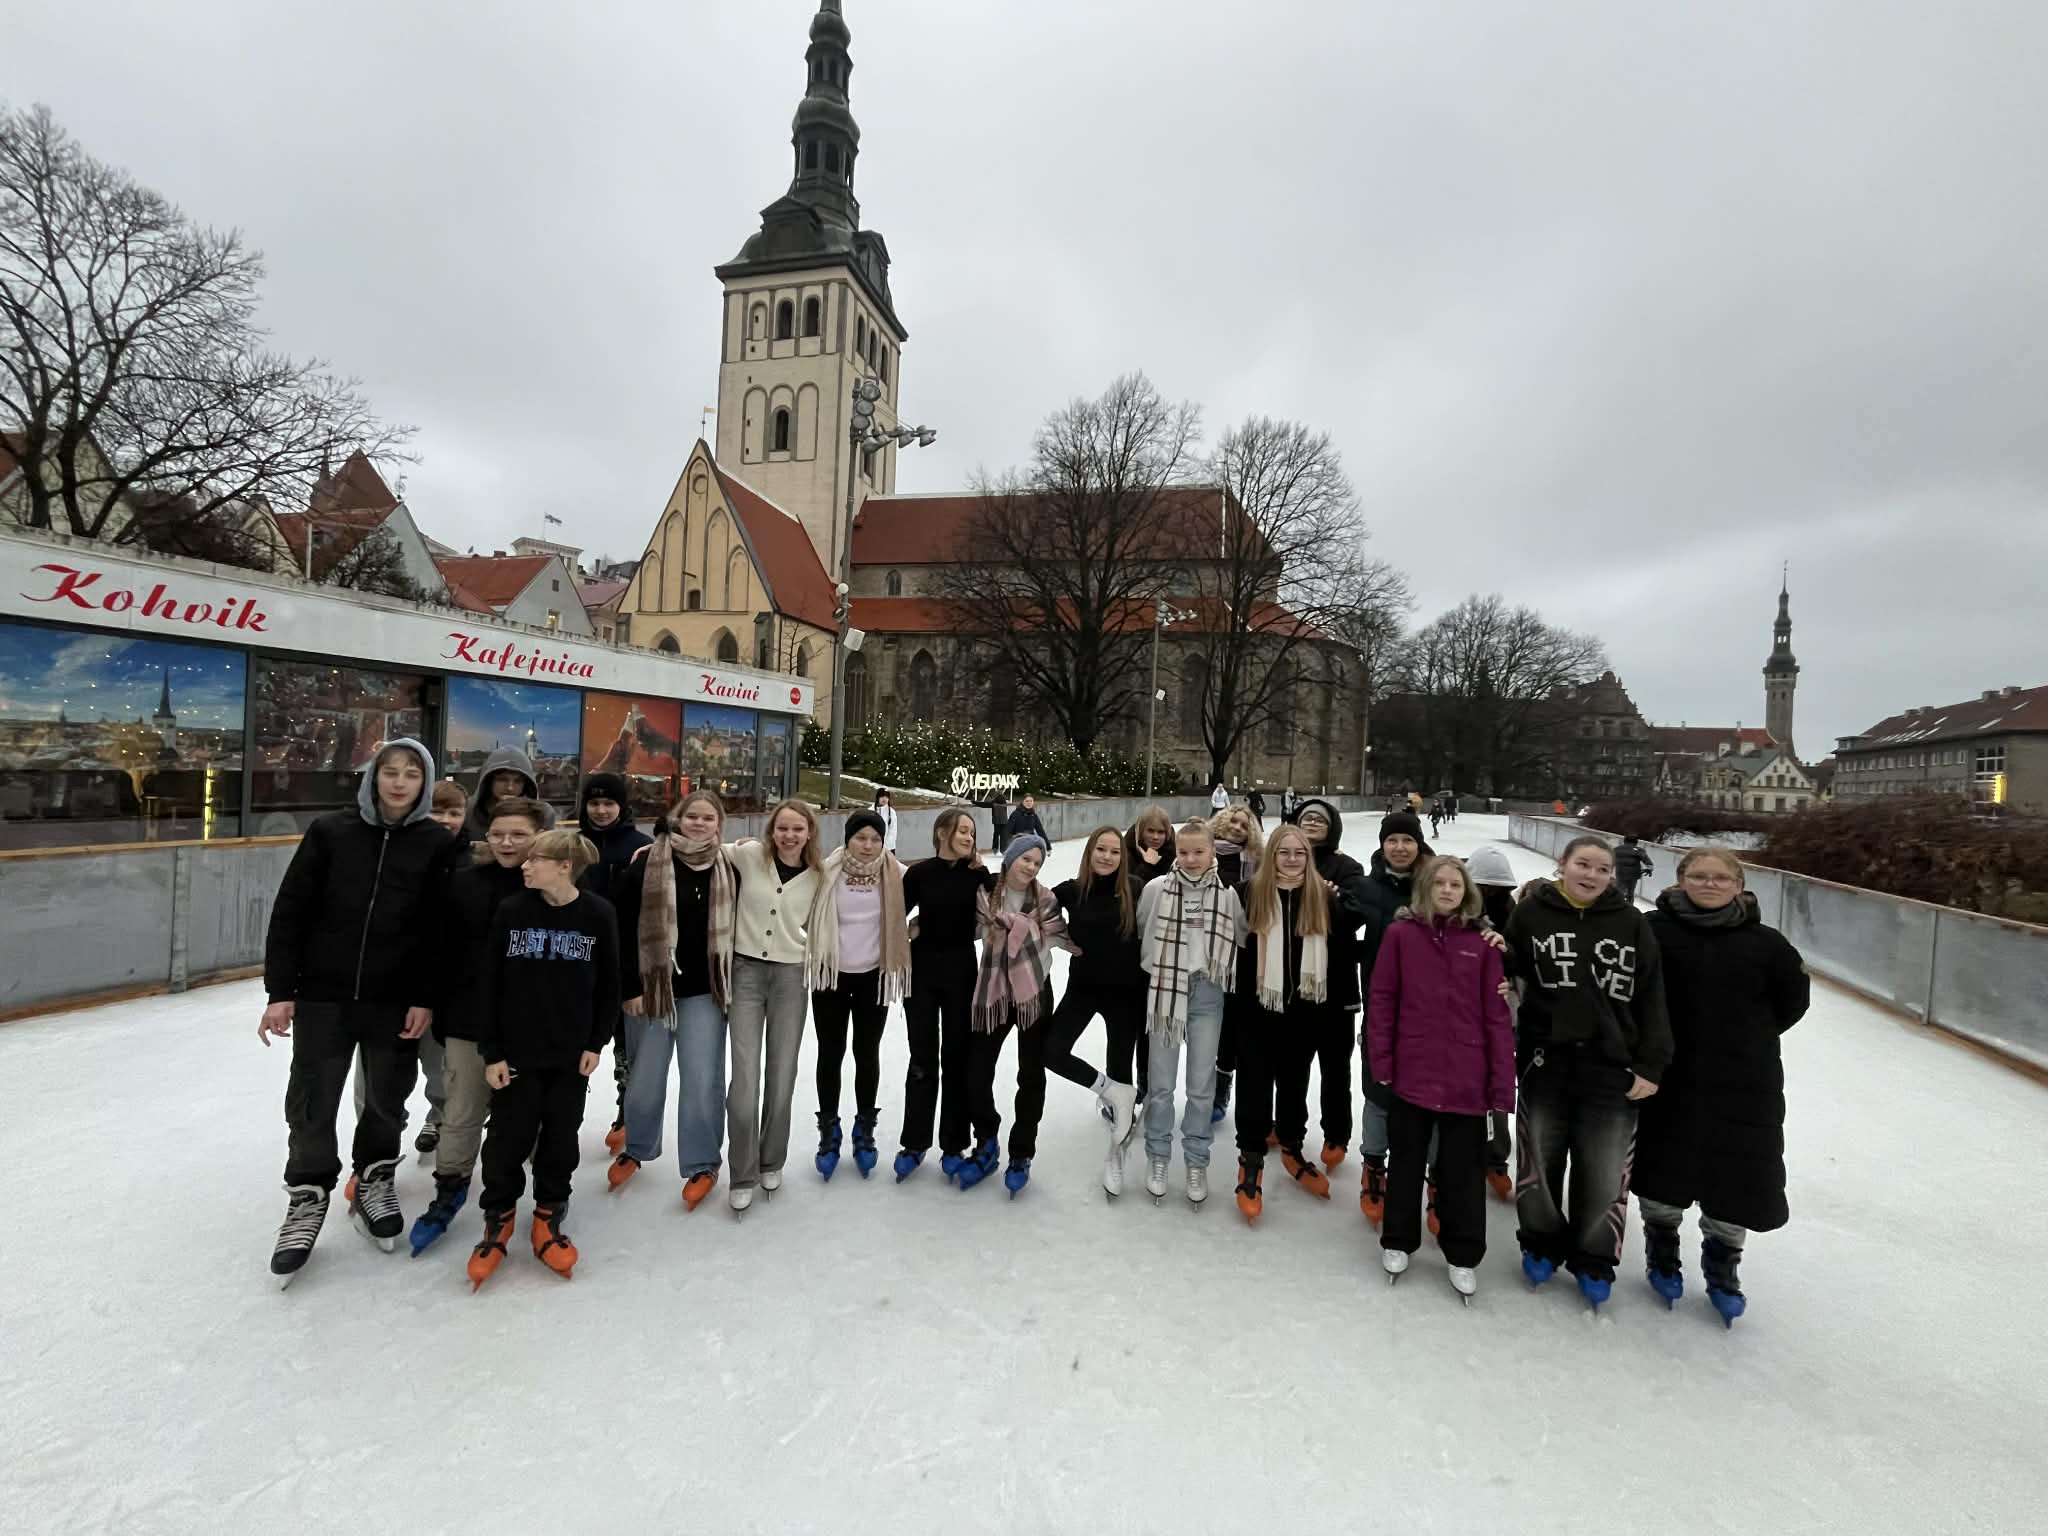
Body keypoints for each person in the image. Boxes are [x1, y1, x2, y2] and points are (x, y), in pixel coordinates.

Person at [258, 738, 462, 1285]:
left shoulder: (434, 843)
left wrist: (424, 996)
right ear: (373, 777)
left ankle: (374, 1177)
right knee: (313, 1099)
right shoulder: (331, 831)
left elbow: (438, 930)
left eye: (411, 774)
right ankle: (307, 1195)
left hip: (393, 998)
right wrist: (280, 990)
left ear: (424, 784)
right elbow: (291, 911)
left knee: (386, 1097)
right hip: (323, 995)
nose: (399, 782)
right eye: (389, 772)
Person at [1636, 847, 1809, 1325]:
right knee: (1663, 1163)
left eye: (1720, 877)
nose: (1709, 884)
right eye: (1698, 875)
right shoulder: (1651, 931)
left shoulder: (1768, 945)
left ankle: (1723, 1261)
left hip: (1743, 1080)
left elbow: (1792, 1002)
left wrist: (1746, 1037)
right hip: (1669, 1073)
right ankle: (1661, 1247)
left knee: (1737, 1173)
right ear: (1680, 880)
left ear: (1739, 885)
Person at [1504, 834, 1672, 1307]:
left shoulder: (1631, 922)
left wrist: (1651, 1064)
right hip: (1545, 1060)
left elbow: (1652, 995)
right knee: (1539, 1162)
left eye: (1602, 869)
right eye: (1583, 864)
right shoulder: (1531, 914)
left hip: (1611, 1066)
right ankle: (1539, 1242)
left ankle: (1594, 1257)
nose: (1592, 875)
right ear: (1563, 864)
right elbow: (1508, 971)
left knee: (1605, 1171)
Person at [465, 829, 620, 1289]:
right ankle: (498, 1216)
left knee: (560, 1135)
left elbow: (608, 985)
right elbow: (489, 982)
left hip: (570, 1054)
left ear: (564, 867)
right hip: (516, 1052)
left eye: (536, 860)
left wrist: (596, 1043)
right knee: (506, 1138)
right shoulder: (512, 910)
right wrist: (492, 1050)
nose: (525, 866)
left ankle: (549, 1214)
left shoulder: (598, 914)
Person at [1367, 856, 1515, 1301]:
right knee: (1406, 1162)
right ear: (1425, 888)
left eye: (1456, 884)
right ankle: (1398, 1239)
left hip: (1467, 1077)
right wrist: (1382, 1061)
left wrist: (1500, 1082)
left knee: (1463, 1172)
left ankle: (1462, 1250)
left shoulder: (1483, 944)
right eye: (1440, 883)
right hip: (1413, 1069)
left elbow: (1497, 1019)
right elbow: (1382, 999)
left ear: (1467, 892)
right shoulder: (1401, 935)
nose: (1448, 890)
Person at [407, 795, 545, 1256]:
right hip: (470, 1019)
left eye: (519, 834)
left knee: (528, 1110)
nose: (507, 843)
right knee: (463, 1108)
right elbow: (436, 950)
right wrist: (431, 1004)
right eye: (499, 833)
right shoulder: (463, 883)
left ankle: (539, 1192)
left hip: (533, 1022)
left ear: (539, 837)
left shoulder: (552, 887)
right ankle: (450, 1185)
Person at [610, 790, 739, 1211]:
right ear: (677, 819)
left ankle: (702, 1162)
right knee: (644, 1077)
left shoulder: (729, 866)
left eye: (708, 818)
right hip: (652, 988)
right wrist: (629, 987)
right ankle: (637, 1146)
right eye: (692, 816)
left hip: (704, 992)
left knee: (702, 1079)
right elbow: (622, 928)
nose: (699, 823)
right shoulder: (647, 862)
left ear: (719, 825)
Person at [345, 776, 469, 1164]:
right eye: (436, 811)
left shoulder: (473, 862)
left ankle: (443, 1127)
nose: (445, 820)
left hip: (445, 990)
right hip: (387, 987)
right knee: (377, 1075)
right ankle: (374, 1150)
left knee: (443, 1070)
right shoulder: (390, 853)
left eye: (454, 812)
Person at [1136, 819, 1244, 1206]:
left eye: (1199, 851)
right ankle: (1158, 1156)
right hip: (1167, 987)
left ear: (1213, 852)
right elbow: (1143, 928)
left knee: (1201, 1086)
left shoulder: (1228, 894)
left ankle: (1196, 1160)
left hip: (1207, 992)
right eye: (1184, 852)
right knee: (1161, 1083)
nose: (1191, 859)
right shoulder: (1156, 888)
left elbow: (1242, 934)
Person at [1230, 823, 1334, 1222]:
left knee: (1295, 1081)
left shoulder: (1323, 897)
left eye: (1299, 853)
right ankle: (1251, 1157)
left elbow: (1343, 951)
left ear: (1308, 857)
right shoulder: (1247, 893)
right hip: (1256, 1008)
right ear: (1271, 855)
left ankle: (1292, 1146)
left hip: (1304, 1010)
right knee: (1254, 1084)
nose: (1291, 860)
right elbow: (1232, 949)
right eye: (1283, 852)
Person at [723, 799, 822, 1211]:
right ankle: (742, 1170)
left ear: (809, 832)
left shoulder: (820, 874)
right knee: (745, 1076)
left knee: (782, 1072)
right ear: (771, 830)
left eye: (797, 829)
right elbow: (702, 847)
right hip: (745, 972)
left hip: (790, 977)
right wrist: (653, 846)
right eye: (782, 828)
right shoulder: (749, 856)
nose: (789, 836)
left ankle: (771, 1159)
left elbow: (883, 871)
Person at [806, 809, 911, 1183]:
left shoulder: (897, 874)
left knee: (867, 1053)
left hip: (873, 978)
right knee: (830, 1052)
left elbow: (935, 890)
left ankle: (864, 1128)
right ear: (847, 839)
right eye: (860, 838)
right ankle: (829, 1129)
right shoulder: (824, 871)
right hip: (830, 975)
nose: (868, 845)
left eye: (875, 839)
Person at [963, 833, 1067, 1194]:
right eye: (1026, 859)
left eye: (1037, 862)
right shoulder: (985, 893)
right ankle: (986, 1139)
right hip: (994, 991)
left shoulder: (1046, 899)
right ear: (1011, 858)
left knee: (1031, 1074)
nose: (1031, 866)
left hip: (1033, 992)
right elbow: (967, 926)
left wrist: (1022, 934)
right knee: (977, 1069)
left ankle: (1021, 1152)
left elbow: (1058, 936)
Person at [1046, 827, 1146, 1195]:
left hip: (1125, 995)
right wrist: (1059, 939)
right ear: (1089, 852)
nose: (1106, 856)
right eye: (1100, 849)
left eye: (1114, 851)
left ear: (1123, 857)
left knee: (1121, 1068)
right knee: (1050, 1050)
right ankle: (1111, 1092)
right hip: (1083, 990)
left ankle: (1117, 1151)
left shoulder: (1135, 887)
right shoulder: (1072, 890)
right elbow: (1029, 901)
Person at [896, 808, 992, 1182]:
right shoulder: (918, 874)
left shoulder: (978, 875)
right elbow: (893, 916)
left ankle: (954, 1143)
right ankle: (914, 1142)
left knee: (956, 1059)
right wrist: (909, 928)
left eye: (972, 832)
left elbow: (1000, 907)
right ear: (941, 832)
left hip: (962, 974)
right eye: (962, 830)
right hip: (921, 975)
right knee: (921, 1059)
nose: (969, 837)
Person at [1285, 799, 1372, 1181]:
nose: (1312, 823)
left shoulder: (1347, 867)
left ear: (1332, 826)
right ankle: (1289, 1130)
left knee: (1336, 1068)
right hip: (1293, 984)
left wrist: (1327, 897)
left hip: (1336, 986)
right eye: (1306, 818)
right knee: (1291, 1066)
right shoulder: (1284, 861)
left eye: (1320, 819)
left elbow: (1354, 915)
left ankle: (1337, 1135)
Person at [1354, 809, 1434, 1225]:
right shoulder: (1367, 887)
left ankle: (1435, 1175)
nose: (1400, 848)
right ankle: (1374, 1163)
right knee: (1378, 1088)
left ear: (1418, 844)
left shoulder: (1436, 885)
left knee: (1432, 1093)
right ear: (1382, 845)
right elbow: (1342, 934)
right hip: (1381, 1003)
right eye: (1392, 840)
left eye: (1407, 840)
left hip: (1431, 1009)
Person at [575, 773, 652, 1155]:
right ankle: (562, 1114)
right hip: (579, 963)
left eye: (609, 803)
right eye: (594, 803)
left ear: (622, 806)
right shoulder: (573, 846)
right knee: (576, 1044)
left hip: (625, 962)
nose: (601, 811)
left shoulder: (641, 847)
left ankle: (627, 1110)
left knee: (627, 1047)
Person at [1465, 844, 1524, 1198]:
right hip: (1458, 1015)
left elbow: (1523, 962)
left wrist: (1507, 954)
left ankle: (1496, 1157)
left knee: (1497, 1085)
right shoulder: (1453, 914)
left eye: (1495, 890)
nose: (1487, 895)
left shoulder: (1512, 916)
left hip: (1499, 1016)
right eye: (1481, 888)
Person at [1207, 805, 1265, 1123]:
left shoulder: (1256, 862)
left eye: (1245, 824)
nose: (1238, 827)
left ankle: (1221, 1084)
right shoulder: (1202, 851)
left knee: (1230, 1023)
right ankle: (1200, 1085)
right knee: (1203, 1022)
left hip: (1240, 952)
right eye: (1233, 821)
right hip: (1202, 950)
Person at [462, 746, 558, 842]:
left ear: (526, 784)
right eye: (502, 780)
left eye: (518, 781)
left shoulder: (544, 813)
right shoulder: (466, 811)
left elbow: (547, 850)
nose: (510, 788)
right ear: (489, 780)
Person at [1123, 806, 1177, 889]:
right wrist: (1147, 865)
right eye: (1150, 831)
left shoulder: (1175, 854)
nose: (1155, 837)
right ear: (1141, 831)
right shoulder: (1126, 852)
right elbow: (1129, 889)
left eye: (1161, 832)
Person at [1613, 835, 1654, 905]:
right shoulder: (1639, 850)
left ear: (1624, 841)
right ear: (1636, 842)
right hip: (1633, 875)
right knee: (1630, 892)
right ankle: (1629, 906)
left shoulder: (1616, 849)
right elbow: (1647, 861)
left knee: (1620, 891)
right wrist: (1649, 869)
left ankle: (1617, 905)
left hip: (1620, 873)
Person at [872, 787, 900, 855]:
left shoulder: (891, 812)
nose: (884, 799)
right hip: (873, 846)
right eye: (882, 796)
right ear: (878, 797)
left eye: (887, 797)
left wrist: (886, 846)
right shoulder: (871, 811)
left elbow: (893, 831)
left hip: (889, 847)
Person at [988, 791, 1012, 857]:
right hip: (1004, 821)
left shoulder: (994, 802)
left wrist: (975, 802)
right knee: (1003, 836)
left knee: (996, 834)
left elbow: (985, 804)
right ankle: (1003, 850)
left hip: (997, 821)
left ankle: (995, 848)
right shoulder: (1004, 802)